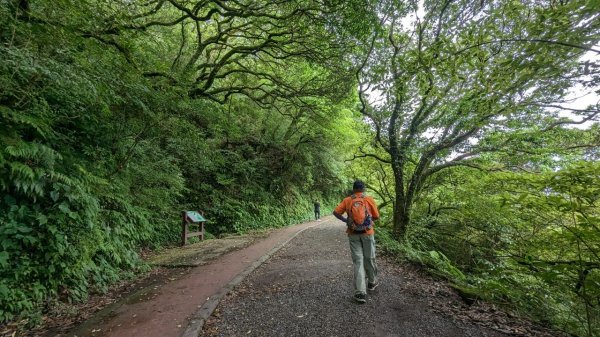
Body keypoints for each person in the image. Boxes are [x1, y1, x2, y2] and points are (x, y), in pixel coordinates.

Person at [333, 180, 380, 303]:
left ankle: (360, 292)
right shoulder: (369, 199)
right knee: (369, 257)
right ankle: (372, 282)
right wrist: (369, 221)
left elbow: (336, 212)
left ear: (354, 189)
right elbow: (376, 216)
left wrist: (346, 221)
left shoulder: (348, 200)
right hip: (368, 233)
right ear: (363, 189)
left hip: (353, 234)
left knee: (358, 261)